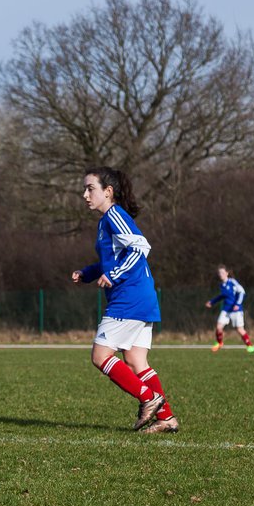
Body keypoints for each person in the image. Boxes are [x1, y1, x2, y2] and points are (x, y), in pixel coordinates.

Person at [70, 167, 178, 433]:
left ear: (108, 192)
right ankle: (167, 418)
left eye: (90, 189)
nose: (85, 195)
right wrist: (88, 273)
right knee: (136, 361)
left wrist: (114, 274)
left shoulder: (114, 215)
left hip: (129, 297)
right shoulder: (104, 222)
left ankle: (148, 398)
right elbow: (111, 259)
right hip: (141, 296)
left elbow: (140, 247)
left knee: (100, 355)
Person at [206, 265, 254, 353]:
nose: (220, 274)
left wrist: (237, 304)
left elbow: (242, 292)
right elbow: (222, 296)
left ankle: (249, 345)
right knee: (219, 327)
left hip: (236, 309)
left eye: (222, 272)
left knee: (239, 329)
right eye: (219, 273)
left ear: (227, 273)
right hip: (226, 309)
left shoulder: (232, 282)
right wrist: (212, 302)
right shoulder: (222, 285)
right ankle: (219, 343)